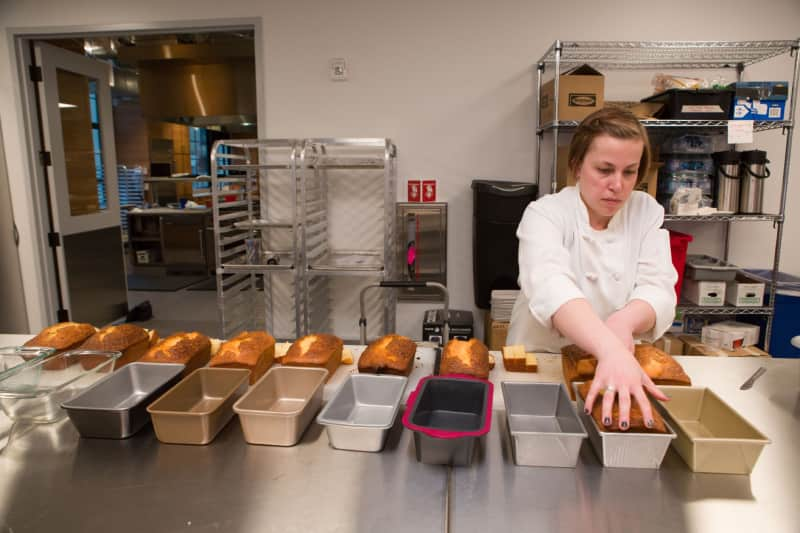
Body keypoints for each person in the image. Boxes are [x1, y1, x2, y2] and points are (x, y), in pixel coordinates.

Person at [506, 107, 677, 430]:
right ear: (576, 166)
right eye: (604, 169)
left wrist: (623, 323)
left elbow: (658, 287)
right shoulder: (545, 214)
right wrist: (611, 346)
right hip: (544, 361)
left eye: (630, 172)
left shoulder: (645, 211)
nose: (618, 185)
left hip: (614, 364)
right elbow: (551, 286)